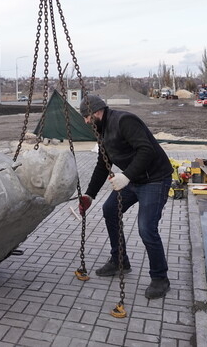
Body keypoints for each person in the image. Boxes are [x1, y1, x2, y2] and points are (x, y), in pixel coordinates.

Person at [77, 93, 174, 299]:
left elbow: (146, 150)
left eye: (86, 116)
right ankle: (119, 260)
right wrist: (90, 195)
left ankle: (160, 278)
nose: (85, 121)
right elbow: (103, 164)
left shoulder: (124, 121)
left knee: (146, 228)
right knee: (110, 210)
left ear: (97, 112)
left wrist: (126, 176)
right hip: (133, 180)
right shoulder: (101, 130)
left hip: (154, 179)